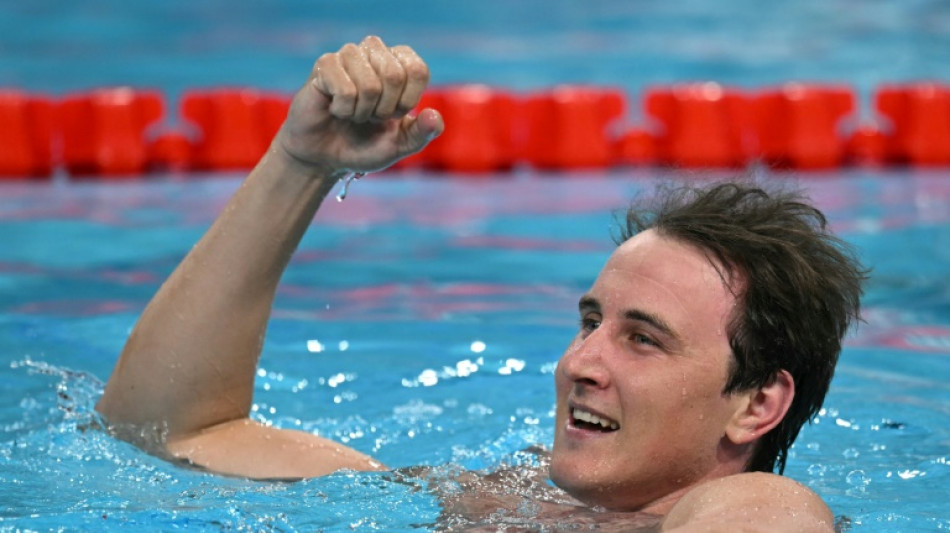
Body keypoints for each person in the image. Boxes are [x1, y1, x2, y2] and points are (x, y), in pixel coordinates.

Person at [95, 36, 866, 531]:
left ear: (758, 403)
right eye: (591, 321)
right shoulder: (502, 506)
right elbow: (169, 432)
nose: (580, 363)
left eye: (643, 338)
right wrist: (300, 168)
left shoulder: (762, 507)